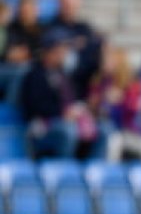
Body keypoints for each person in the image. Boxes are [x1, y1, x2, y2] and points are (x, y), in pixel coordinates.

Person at [19, 33, 98, 161]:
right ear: (49, 52)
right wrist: (62, 113)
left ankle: (92, 172)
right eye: (60, 50)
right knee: (69, 131)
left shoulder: (64, 75)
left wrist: (81, 110)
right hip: (42, 127)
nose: (64, 54)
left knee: (103, 130)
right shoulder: (35, 75)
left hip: (67, 121)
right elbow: (35, 106)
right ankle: (64, 173)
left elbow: (74, 99)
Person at [89, 46, 141, 162]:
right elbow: (94, 110)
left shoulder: (132, 86)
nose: (105, 63)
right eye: (105, 60)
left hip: (128, 131)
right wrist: (100, 101)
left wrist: (121, 102)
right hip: (106, 129)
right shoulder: (99, 82)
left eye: (110, 60)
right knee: (111, 138)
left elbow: (132, 114)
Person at [50, 0, 103, 99]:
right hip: (58, 80)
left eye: (72, 5)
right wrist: (72, 44)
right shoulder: (51, 27)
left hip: (84, 77)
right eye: (66, 4)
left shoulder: (84, 28)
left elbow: (92, 50)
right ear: (60, 5)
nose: (69, 8)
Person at [4, 0, 45, 64]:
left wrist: (29, 54)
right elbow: (8, 52)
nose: (27, 12)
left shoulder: (43, 30)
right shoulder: (10, 29)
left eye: (30, 9)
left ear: (37, 11)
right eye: (24, 9)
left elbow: (44, 53)